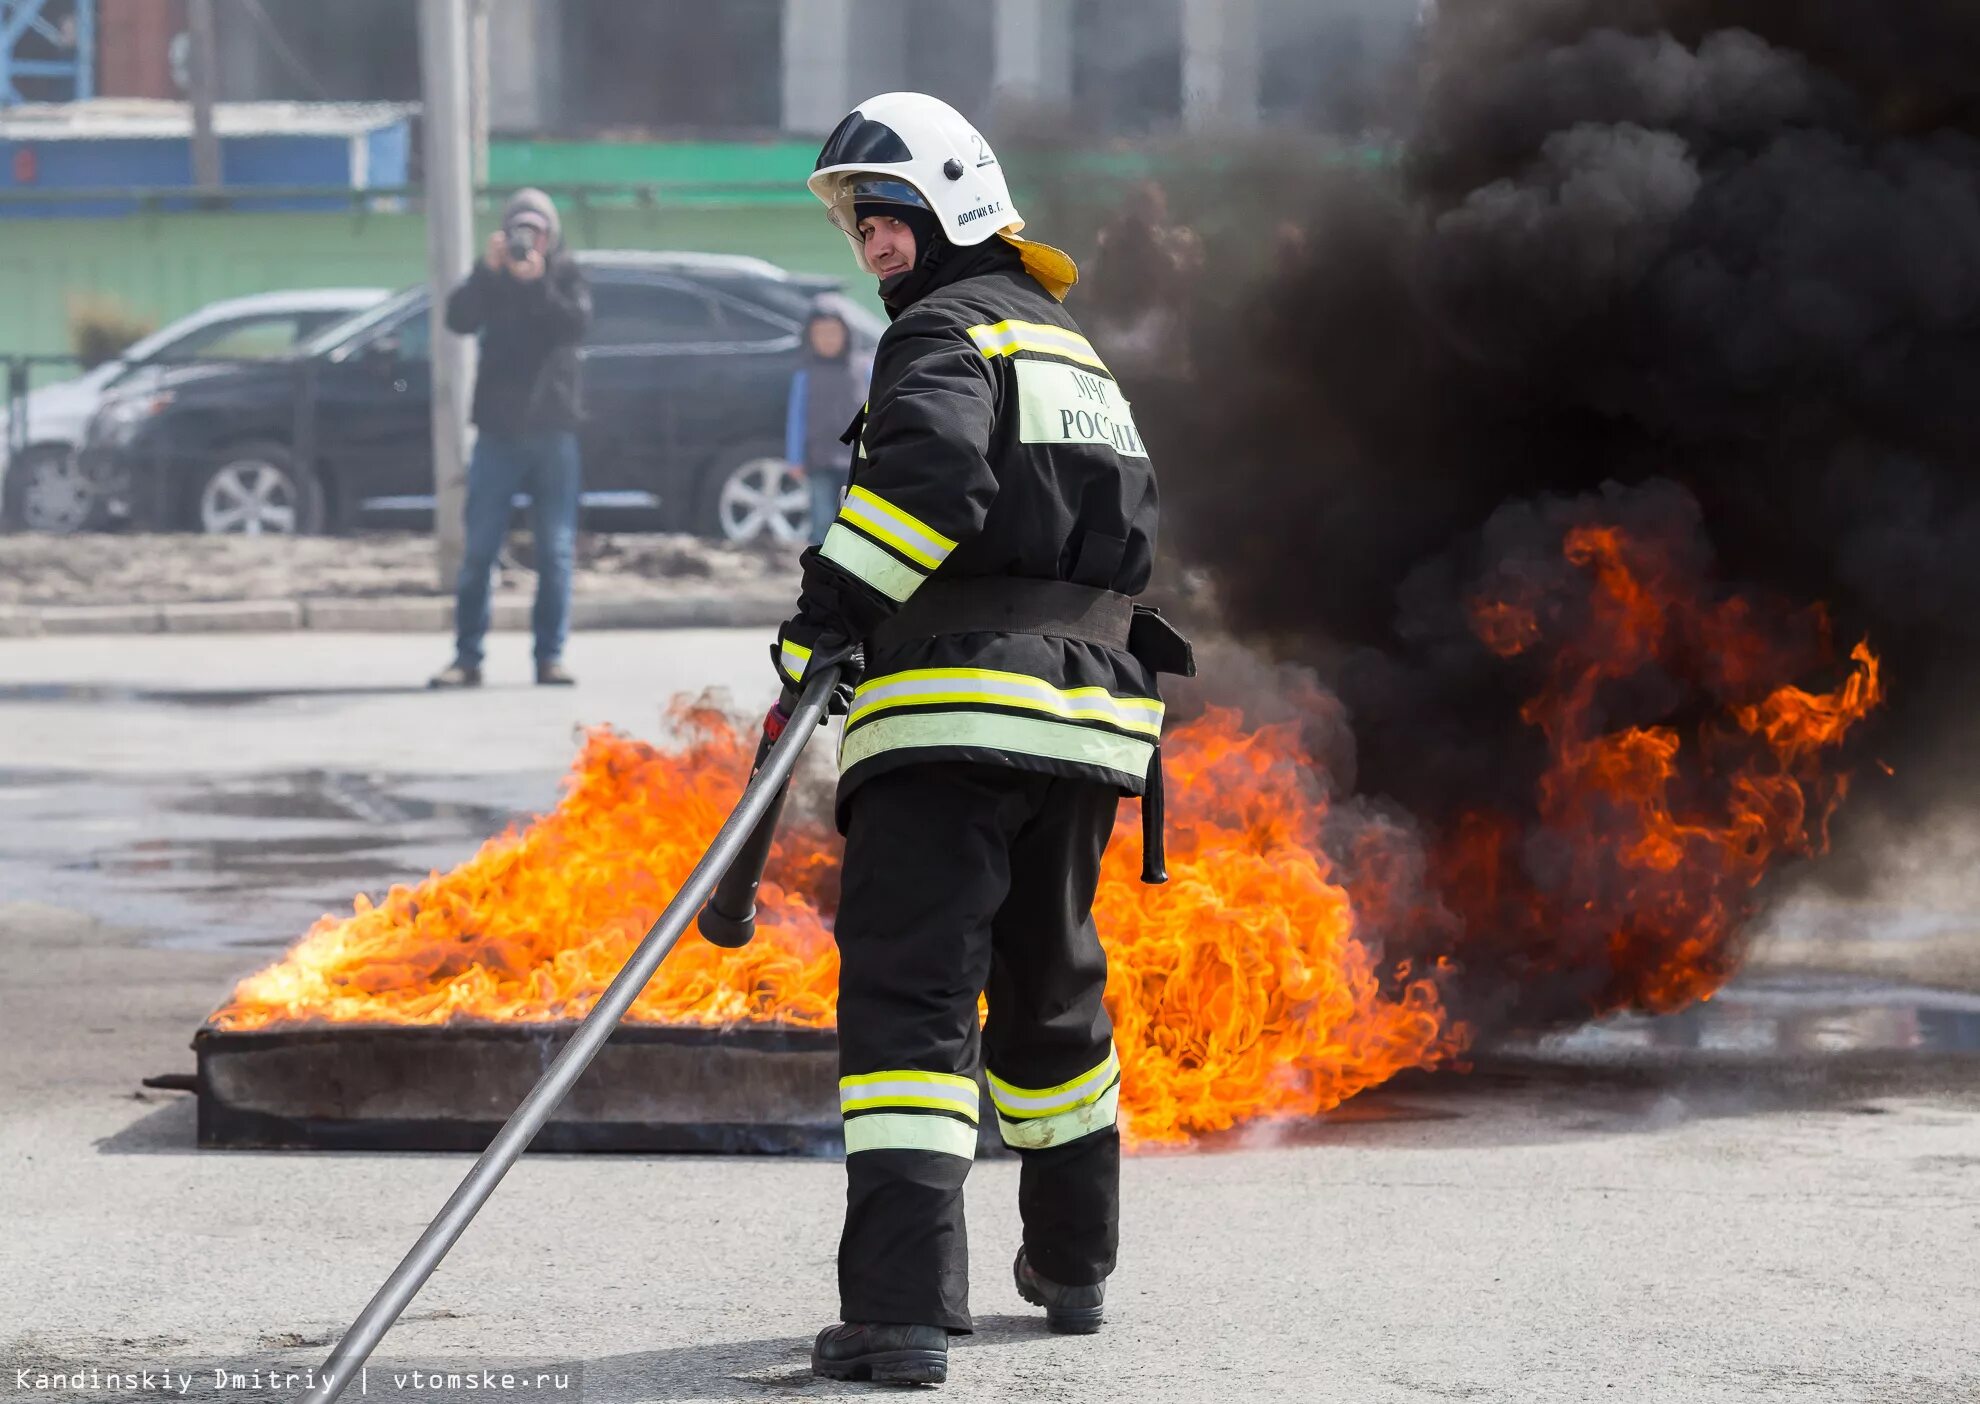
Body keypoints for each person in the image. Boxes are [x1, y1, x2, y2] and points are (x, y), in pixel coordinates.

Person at [771, 92, 1192, 1386]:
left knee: (911, 1004)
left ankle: (900, 1314)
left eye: (886, 216)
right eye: (858, 224)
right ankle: (1074, 1266)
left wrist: (822, 623)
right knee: (1053, 988)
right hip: (1085, 720)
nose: (872, 245)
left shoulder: (946, 335)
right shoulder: (1066, 345)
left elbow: (932, 481)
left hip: (955, 711)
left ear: (952, 203)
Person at [428, 188, 592, 689]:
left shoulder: (564, 274)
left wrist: (539, 281)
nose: (528, 240)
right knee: (479, 549)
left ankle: (550, 657)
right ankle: (467, 657)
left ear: (551, 234)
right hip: (498, 434)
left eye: (536, 230)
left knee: (555, 551)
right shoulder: (491, 277)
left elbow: (576, 326)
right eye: (519, 229)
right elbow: (457, 319)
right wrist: (486, 269)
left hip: (553, 432)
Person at [785, 301, 869, 544]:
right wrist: (795, 458)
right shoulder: (805, 374)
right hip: (818, 459)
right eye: (820, 334)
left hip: (855, 462)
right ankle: (821, 566)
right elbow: (796, 419)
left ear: (847, 334)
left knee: (854, 520)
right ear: (810, 337)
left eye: (833, 332)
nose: (827, 339)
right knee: (821, 518)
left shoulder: (864, 369)